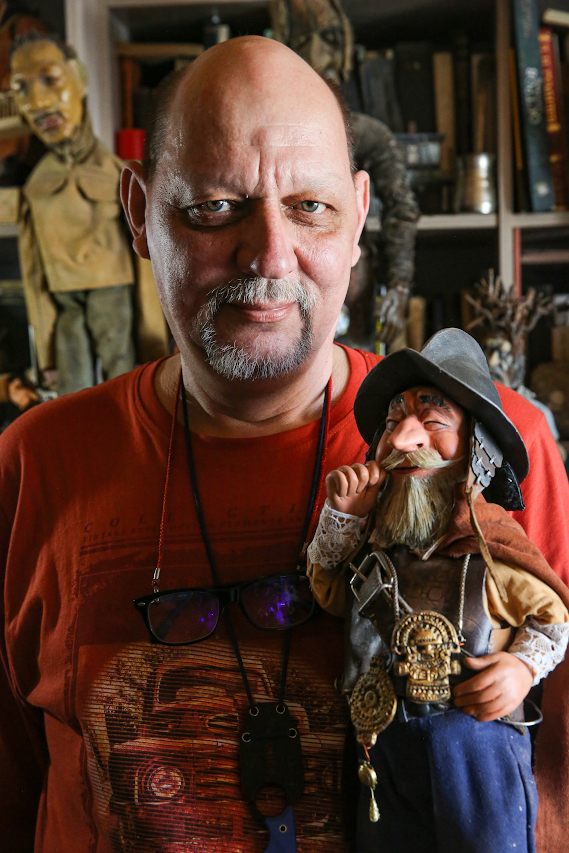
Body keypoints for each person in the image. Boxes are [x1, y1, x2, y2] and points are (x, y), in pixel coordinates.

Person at [0, 35, 567, 853]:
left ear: (359, 215)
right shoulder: (33, 466)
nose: (268, 253)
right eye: (214, 207)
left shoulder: (499, 450)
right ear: (138, 211)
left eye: (309, 206)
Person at [307, 328, 569, 853]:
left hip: (474, 747)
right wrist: (344, 520)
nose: (404, 440)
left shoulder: (492, 548)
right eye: (392, 424)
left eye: (431, 422)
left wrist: (521, 669)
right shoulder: (371, 549)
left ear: (476, 448)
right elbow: (330, 596)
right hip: (382, 745)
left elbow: (552, 618)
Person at [9, 32, 167, 395]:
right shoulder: (35, 187)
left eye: (50, 79)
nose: (38, 102)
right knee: (73, 388)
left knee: (122, 380)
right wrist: (45, 354)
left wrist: (154, 341)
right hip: (64, 301)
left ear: (78, 79)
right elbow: (33, 275)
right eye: (21, 88)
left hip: (113, 296)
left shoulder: (118, 174)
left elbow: (146, 261)